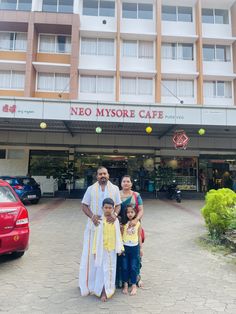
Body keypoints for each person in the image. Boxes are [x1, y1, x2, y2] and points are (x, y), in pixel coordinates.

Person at [79, 166, 121, 297]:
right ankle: (90, 285)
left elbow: (118, 205)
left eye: (105, 173)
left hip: (109, 229)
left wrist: (115, 214)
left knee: (108, 258)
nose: (102, 176)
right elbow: (84, 205)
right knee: (91, 257)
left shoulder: (114, 189)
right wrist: (92, 216)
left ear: (108, 175)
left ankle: (106, 287)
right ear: (96, 176)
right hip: (94, 227)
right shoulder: (90, 189)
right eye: (100, 174)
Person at [92, 198, 124, 301]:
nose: (108, 209)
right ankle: (101, 290)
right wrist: (94, 251)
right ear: (102, 208)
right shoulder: (99, 220)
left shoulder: (115, 220)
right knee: (101, 270)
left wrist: (120, 248)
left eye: (110, 208)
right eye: (106, 207)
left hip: (111, 250)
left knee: (110, 270)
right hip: (101, 250)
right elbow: (96, 237)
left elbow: (118, 235)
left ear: (113, 208)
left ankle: (108, 290)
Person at [116, 175, 144, 288]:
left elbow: (141, 210)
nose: (126, 183)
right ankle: (121, 280)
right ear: (121, 183)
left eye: (128, 181)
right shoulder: (116, 194)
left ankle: (137, 278)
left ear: (131, 183)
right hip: (120, 228)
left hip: (134, 227)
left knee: (136, 256)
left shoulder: (136, 195)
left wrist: (136, 220)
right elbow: (114, 210)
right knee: (121, 255)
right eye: (124, 181)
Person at [122, 204, 143, 296]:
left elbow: (139, 236)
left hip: (134, 248)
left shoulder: (138, 223)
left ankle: (134, 285)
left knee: (134, 267)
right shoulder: (123, 224)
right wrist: (120, 249)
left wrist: (140, 248)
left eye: (132, 212)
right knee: (125, 267)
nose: (130, 214)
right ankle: (125, 285)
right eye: (128, 212)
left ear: (135, 213)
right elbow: (120, 236)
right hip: (125, 248)